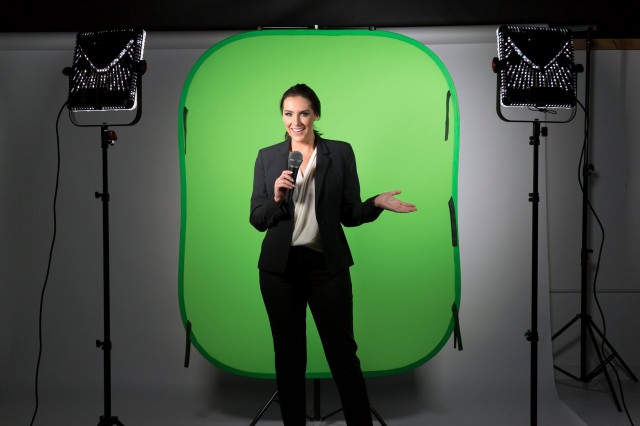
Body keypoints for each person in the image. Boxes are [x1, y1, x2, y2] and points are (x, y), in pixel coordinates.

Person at [249, 83, 417, 425]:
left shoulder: (339, 153)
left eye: (303, 113)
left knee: (342, 354)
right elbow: (257, 218)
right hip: (279, 272)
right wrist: (277, 199)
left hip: (327, 268)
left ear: (316, 114)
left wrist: (375, 203)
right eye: (288, 114)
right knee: (289, 357)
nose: (296, 122)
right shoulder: (267, 157)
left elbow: (349, 214)